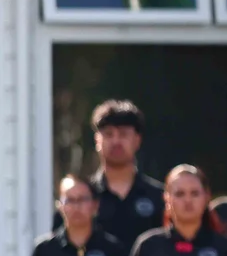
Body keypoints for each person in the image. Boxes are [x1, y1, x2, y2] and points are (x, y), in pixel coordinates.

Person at [54, 100, 165, 246]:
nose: (116, 141)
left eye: (124, 134)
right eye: (108, 134)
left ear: (137, 140)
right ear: (97, 141)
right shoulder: (78, 197)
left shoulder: (160, 197)